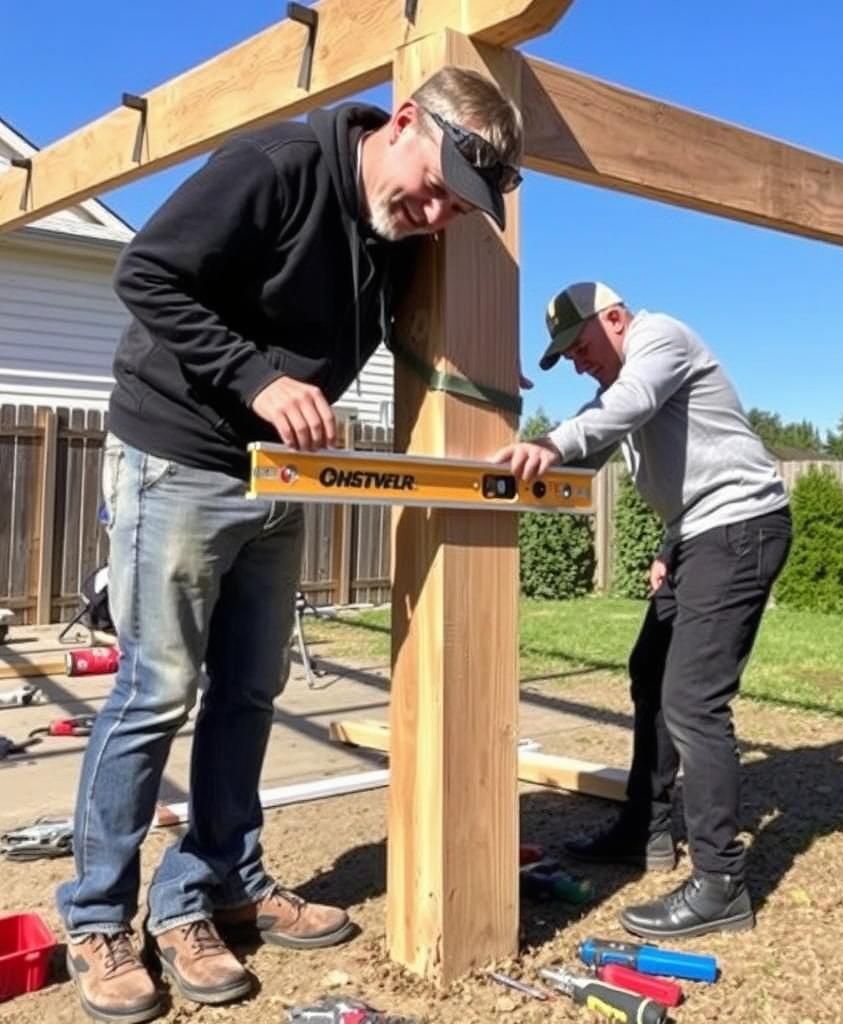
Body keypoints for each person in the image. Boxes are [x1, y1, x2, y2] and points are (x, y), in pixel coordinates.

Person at [58, 67, 524, 1023]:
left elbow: (406, 340)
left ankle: (210, 890)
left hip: (281, 478)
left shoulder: (397, 231)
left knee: (251, 688)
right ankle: (100, 919)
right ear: (401, 124)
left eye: (454, 208)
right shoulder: (276, 167)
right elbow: (143, 272)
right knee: (155, 689)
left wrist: (492, 390)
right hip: (177, 455)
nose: (435, 213)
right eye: (435, 186)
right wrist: (259, 379)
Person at [492, 282, 791, 940]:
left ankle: (720, 885)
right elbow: (611, 443)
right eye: (566, 356)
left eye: (578, 346)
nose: (577, 361)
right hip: (699, 534)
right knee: (648, 671)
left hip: (741, 527)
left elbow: (626, 409)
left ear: (616, 319)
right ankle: (644, 829)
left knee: (692, 700)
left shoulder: (661, 338)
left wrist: (554, 441)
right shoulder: (622, 383)